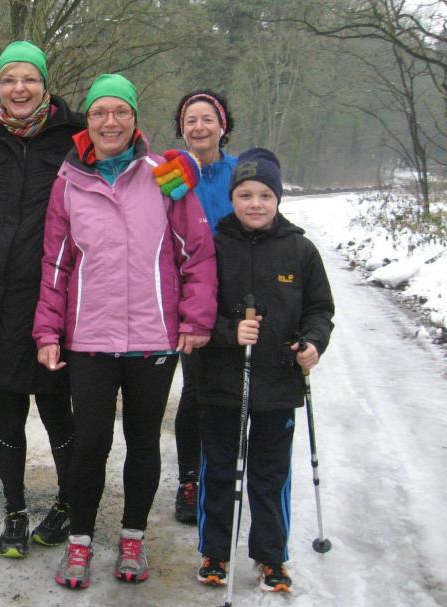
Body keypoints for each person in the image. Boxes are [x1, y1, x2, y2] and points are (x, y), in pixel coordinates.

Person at [33, 74, 218, 589]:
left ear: (135, 119)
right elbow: (55, 264)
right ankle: (80, 542)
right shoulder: (68, 181)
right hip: (90, 337)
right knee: (90, 443)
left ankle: (133, 537)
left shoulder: (166, 174)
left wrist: (196, 318)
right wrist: (47, 331)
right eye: (99, 112)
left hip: (154, 337)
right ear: (87, 121)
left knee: (142, 441)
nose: (109, 122)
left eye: (120, 112)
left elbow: (196, 252)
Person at [0, 41, 85, 558]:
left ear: (45, 84)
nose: (19, 88)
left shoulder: (75, 136)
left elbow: (125, 154)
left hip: (55, 291)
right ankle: (14, 510)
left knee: (56, 407)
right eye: (9, 79)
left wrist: (174, 172)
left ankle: (69, 502)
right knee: (8, 409)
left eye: (29, 78)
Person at [194, 148, 334, 593]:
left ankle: (271, 555)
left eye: (265, 196)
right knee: (220, 468)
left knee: (270, 474)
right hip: (221, 380)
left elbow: (320, 309)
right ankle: (215, 551)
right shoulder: (212, 246)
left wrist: (313, 343)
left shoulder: (300, 250)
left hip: (278, 381)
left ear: (277, 199)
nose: (255, 204)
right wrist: (228, 331)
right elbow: (194, 310)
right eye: (245, 195)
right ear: (232, 198)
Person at [161, 89, 237, 525]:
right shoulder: (173, 171)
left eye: (207, 119)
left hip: (236, 296)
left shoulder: (241, 171)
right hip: (189, 296)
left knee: (233, 389)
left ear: (222, 125)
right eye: (190, 120)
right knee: (196, 389)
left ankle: (222, 472)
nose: (199, 127)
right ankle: (190, 479)